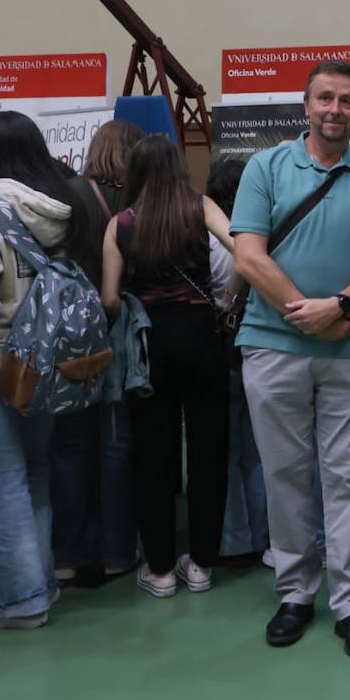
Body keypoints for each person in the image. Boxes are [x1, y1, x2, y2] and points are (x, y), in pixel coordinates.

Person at [230, 59, 350, 661]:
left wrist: (341, 306)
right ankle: (295, 593)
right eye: (325, 99)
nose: (335, 109)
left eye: (348, 101)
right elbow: (247, 254)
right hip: (273, 342)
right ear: (306, 105)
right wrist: (303, 311)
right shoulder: (265, 167)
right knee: (283, 472)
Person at [0, 111, 98, 628]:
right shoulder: (64, 209)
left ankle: (19, 601)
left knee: (3, 479)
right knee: (34, 473)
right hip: (50, 360)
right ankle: (39, 585)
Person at [100, 136, 234, 600]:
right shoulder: (200, 208)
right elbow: (240, 249)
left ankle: (158, 570)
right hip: (202, 337)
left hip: (148, 347)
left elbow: (111, 298)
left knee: (152, 458)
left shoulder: (122, 223)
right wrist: (227, 299)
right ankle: (200, 564)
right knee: (208, 453)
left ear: (134, 171)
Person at [50, 120, 144, 587]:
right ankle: (115, 552)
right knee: (116, 444)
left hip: (68, 339)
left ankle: (67, 554)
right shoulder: (136, 203)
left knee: (68, 447)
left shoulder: (66, 194)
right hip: (120, 337)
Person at [207, 159, 270, 564]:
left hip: (221, 351)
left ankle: (233, 540)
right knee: (260, 454)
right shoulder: (265, 235)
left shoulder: (210, 238)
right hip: (263, 348)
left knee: (224, 453)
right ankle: (267, 537)